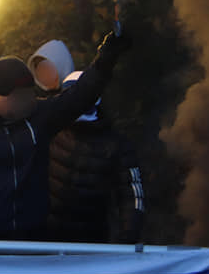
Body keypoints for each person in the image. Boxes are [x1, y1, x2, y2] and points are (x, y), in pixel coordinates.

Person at [0, 30, 130, 240]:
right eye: (18, 97)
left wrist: (106, 57)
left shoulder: (37, 116)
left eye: (29, 93)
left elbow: (80, 96)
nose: (27, 101)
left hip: (32, 238)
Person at [45, 71, 145, 243]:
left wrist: (128, 235)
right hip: (44, 236)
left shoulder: (115, 144)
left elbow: (132, 194)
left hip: (89, 240)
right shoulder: (50, 128)